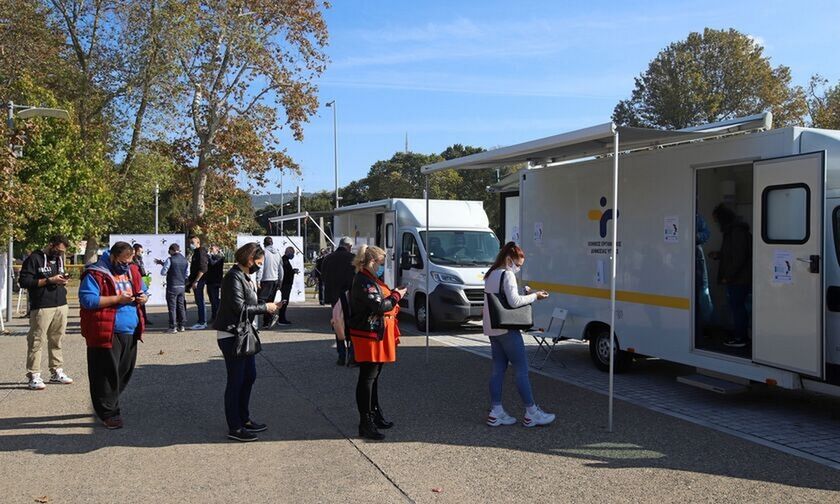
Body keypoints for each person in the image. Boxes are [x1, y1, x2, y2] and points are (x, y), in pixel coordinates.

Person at [483, 241, 555, 428]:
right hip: (508, 329)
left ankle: (496, 411)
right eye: (517, 265)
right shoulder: (507, 274)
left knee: (498, 369)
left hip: (493, 328)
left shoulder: (491, 274)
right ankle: (532, 412)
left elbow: (502, 298)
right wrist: (535, 296)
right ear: (509, 259)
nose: (517, 269)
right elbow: (514, 302)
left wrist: (526, 293)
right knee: (522, 370)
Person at [212, 243, 280, 442]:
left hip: (244, 334)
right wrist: (265, 307)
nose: (260, 266)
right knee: (236, 380)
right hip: (231, 335)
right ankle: (235, 426)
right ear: (250, 259)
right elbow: (239, 307)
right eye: (259, 262)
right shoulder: (233, 277)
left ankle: (244, 418)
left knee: (249, 376)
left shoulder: (245, 276)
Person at [79, 242, 148, 429]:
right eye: (122, 261)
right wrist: (118, 299)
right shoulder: (95, 273)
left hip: (130, 330)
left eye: (129, 260)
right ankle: (108, 412)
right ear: (112, 256)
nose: (126, 265)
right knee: (104, 375)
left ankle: (109, 403)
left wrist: (143, 297)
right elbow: (88, 300)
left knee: (123, 372)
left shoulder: (133, 271)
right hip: (106, 331)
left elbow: (144, 290)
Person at [348, 245, 407, 441]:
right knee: (367, 377)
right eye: (381, 263)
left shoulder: (371, 278)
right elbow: (379, 305)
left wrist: (393, 294)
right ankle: (365, 422)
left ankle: (374, 414)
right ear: (373, 261)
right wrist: (397, 295)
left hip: (375, 333)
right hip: (367, 335)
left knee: (373, 376)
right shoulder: (364, 281)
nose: (383, 266)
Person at [18, 235, 73, 390]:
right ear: (51, 245)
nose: (59, 254)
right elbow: (24, 282)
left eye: (62, 252)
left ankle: (56, 371)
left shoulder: (60, 259)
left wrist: (62, 280)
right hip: (42, 305)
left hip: (61, 304)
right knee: (37, 340)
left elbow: (58, 276)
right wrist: (49, 280)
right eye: (58, 250)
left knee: (57, 339)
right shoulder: (34, 259)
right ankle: (34, 375)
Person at [710, 204, 752, 348]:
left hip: (739, 279)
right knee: (737, 306)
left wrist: (729, 276)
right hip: (738, 278)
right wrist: (719, 255)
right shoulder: (733, 231)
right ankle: (739, 335)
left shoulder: (736, 231)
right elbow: (733, 254)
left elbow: (739, 257)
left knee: (737, 307)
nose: (716, 223)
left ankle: (741, 337)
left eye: (716, 220)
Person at [323, 237, 356, 365]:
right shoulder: (353, 258)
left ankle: (341, 355)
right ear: (348, 246)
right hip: (350, 297)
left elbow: (324, 277)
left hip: (335, 297)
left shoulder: (328, 258)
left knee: (338, 325)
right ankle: (352, 355)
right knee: (352, 325)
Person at [157, 243, 189, 334]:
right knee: (181, 306)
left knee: (172, 307)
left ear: (171, 250)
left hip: (172, 286)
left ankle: (173, 326)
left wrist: (164, 266)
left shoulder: (170, 259)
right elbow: (187, 274)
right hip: (182, 286)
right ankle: (182, 325)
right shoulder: (185, 260)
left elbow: (163, 272)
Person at [258, 237, 283, 328]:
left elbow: (261, 267)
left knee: (261, 301)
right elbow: (281, 269)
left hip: (266, 279)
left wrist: (258, 280)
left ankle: (271, 316)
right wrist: (280, 280)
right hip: (275, 280)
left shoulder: (263, 252)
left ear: (264, 243)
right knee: (270, 301)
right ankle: (266, 322)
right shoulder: (278, 253)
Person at [187, 236, 209, 329]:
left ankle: (202, 322)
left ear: (198, 242)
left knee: (200, 300)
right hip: (195, 280)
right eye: (190, 242)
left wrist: (196, 281)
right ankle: (201, 320)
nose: (191, 244)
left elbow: (203, 268)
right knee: (198, 300)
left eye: (193, 242)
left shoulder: (201, 252)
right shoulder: (195, 252)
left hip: (199, 280)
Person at [276, 246, 298, 325]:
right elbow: (285, 272)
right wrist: (293, 272)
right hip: (285, 283)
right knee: (284, 301)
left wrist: (292, 271)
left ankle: (282, 318)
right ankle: (281, 319)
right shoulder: (284, 260)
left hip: (286, 283)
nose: (293, 255)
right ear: (288, 252)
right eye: (292, 253)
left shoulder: (286, 260)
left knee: (285, 300)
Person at [132, 244, 152, 325]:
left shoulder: (140, 260)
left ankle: (144, 318)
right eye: (140, 251)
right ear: (135, 251)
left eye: (142, 251)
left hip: (142, 280)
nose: (141, 253)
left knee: (143, 300)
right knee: (138, 301)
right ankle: (140, 320)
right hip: (137, 282)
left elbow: (142, 270)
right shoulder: (133, 260)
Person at [206, 245, 225, 323]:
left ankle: (216, 317)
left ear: (217, 249)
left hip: (215, 282)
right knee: (212, 300)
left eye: (212, 249)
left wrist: (208, 256)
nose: (210, 250)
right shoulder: (211, 257)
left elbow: (213, 264)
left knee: (215, 300)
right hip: (210, 281)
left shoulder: (220, 257)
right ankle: (214, 316)